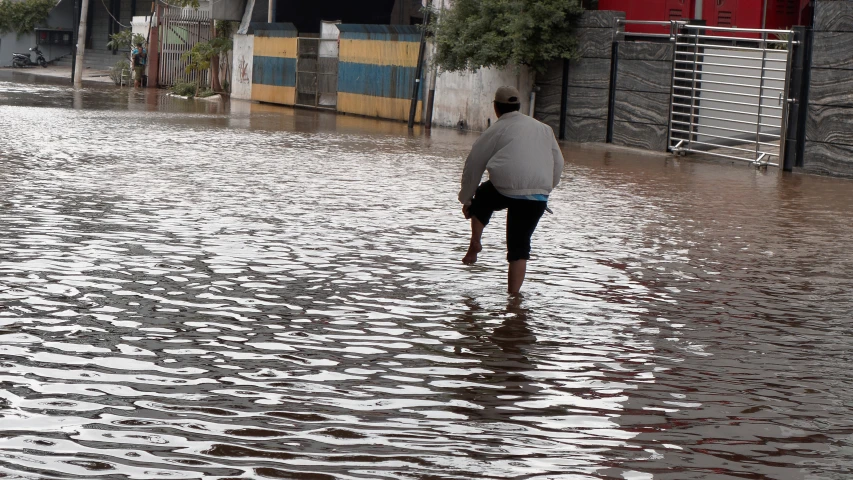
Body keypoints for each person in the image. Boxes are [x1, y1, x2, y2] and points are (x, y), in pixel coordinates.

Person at [458, 86, 565, 295]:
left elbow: (474, 164)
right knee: (519, 248)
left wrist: (467, 199)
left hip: (505, 187)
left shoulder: (496, 129)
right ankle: (514, 301)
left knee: (482, 196)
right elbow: (558, 162)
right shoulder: (544, 129)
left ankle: (476, 242)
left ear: (496, 108)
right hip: (537, 194)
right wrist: (545, 188)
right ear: (519, 106)